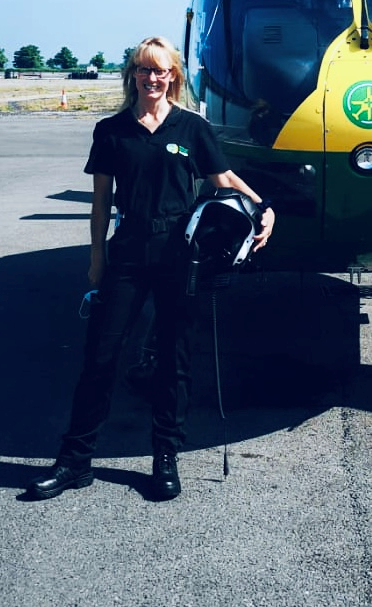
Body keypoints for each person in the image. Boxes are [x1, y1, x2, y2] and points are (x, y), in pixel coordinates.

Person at [27, 36, 275, 501]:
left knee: (173, 361)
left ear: (174, 77)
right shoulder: (112, 130)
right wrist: (96, 259)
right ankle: (75, 461)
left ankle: (165, 456)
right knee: (99, 357)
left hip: (180, 253)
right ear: (133, 76)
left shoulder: (191, 128)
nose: (152, 78)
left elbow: (223, 179)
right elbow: (101, 202)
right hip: (128, 250)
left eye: (161, 71)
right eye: (144, 70)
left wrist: (265, 207)